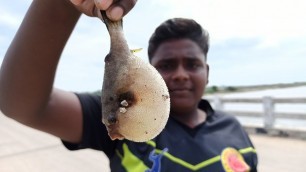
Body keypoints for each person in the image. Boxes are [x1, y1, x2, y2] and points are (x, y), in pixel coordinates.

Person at [0, 0, 258, 171]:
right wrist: (63, 4)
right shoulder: (117, 126)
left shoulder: (236, 132)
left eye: (192, 64)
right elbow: (23, 105)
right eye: (167, 65)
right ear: (150, 70)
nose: (180, 75)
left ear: (207, 72)